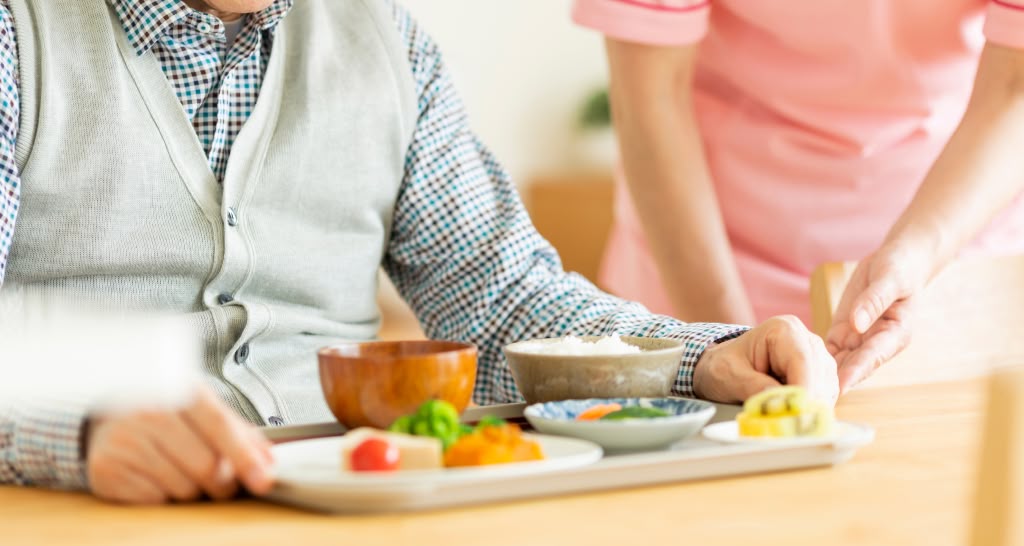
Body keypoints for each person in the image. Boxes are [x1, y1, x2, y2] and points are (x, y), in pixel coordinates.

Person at [0, 0, 836, 505]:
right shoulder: (16, 32)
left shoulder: (387, 44)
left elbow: (503, 300)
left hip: (356, 505)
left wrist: (703, 358)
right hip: (85, 513)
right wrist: (77, 429)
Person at [572, 0, 1024, 391]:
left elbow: (1014, 88)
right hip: (705, 263)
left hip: (953, 260)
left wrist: (917, 254)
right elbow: (653, 97)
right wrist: (725, 341)